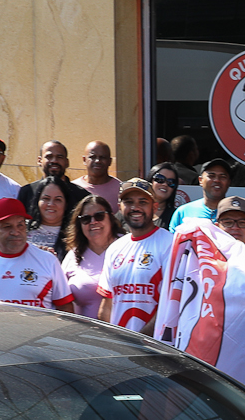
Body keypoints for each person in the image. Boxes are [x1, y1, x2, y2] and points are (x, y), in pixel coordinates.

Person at [0, 196, 74, 311]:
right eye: (7, 226)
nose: (15, 232)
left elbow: (65, 308)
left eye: (20, 225)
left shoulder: (48, 260)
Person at [98, 179, 172, 333]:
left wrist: (143, 341)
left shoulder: (170, 244)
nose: (135, 208)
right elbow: (107, 304)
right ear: (120, 207)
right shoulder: (114, 248)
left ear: (155, 207)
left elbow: (171, 302)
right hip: (120, 347)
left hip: (155, 347)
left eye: (143, 202)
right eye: (129, 202)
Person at [61, 194, 119, 317]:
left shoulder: (126, 247)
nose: (93, 222)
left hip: (126, 332)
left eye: (99, 216)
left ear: (111, 217)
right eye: (86, 219)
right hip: (83, 334)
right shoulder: (73, 255)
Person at [169, 159, 232, 230]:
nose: (217, 180)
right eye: (211, 176)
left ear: (229, 182)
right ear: (200, 180)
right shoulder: (183, 211)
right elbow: (173, 240)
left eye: (223, 176)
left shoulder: (236, 213)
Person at [27, 176, 78, 259]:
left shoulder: (75, 234)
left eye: (58, 200)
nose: (51, 204)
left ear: (66, 204)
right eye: (46, 198)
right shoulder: (22, 228)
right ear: (37, 201)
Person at [18, 139, 71, 218]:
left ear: (67, 162)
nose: (54, 161)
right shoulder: (27, 192)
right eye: (49, 157)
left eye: (59, 157)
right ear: (40, 161)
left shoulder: (80, 194)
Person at [74, 141, 121, 212]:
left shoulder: (120, 189)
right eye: (92, 157)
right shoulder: (73, 188)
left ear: (110, 161)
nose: (97, 161)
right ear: (84, 160)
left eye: (102, 157)